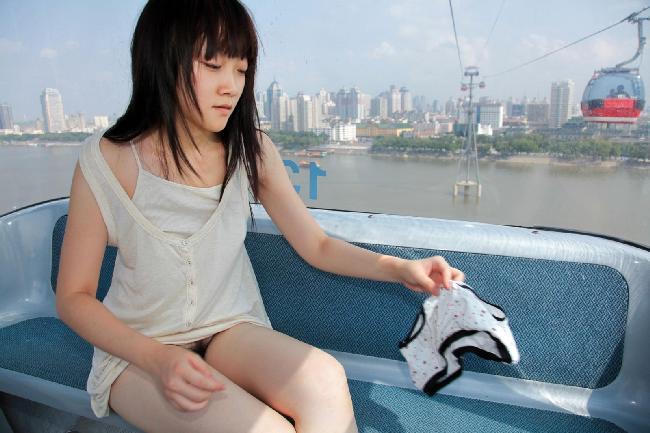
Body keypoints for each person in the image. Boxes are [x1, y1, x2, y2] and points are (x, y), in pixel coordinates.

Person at [55, 1, 465, 432]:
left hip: (228, 329)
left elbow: (317, 245)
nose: (231, 86)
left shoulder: (251, 149)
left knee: (325, 380)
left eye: (241, 69)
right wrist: (158, 358)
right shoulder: (107, 159)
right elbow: (74, 297)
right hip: (138, 351)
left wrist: (402, 269)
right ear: (161, 57)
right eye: (213, 65)